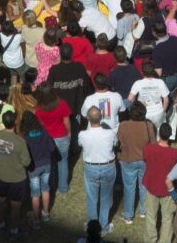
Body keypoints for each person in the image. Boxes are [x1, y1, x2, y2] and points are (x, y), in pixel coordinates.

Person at [0, 110, 31, 239]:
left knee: (0, 200)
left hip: (1, 175)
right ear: (15, 122)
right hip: (18, 178)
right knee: (16, 205)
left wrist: (3, 151)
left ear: (3, 122)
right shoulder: (20, 141)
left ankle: (0, 224)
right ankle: (14, 230)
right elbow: (26, 162)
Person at [79, 106, 118, 234]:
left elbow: (80, 144)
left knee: (91, 197)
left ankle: (92, 226)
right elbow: (116, 144)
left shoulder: (83, 134)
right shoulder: (110, 133)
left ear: (88, 119)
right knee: (106, 198)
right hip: (108, 167)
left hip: (91, 167)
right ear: (101, 117)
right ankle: (103, 227)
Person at [116, 101, 156, 224]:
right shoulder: (149, 126)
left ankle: (128, 215)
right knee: (144, 186)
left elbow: (119, 141)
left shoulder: (123, 125)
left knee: (129, 188)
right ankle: (143, 211)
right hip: (144, 160)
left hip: (127, 159)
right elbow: (153, 144)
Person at [142, 122, 177, 243]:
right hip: (168, 190)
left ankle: (150, 241)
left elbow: (146, 160)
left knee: (150, 217)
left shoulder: (148, 148)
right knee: (167, 219)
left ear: (159, 134)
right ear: (170, 135)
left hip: (151, 186)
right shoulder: (175, 153)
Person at [34, 83, 72, 195]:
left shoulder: (38, 109)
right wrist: (69, 133)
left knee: (50, 165)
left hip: (47, 139)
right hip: (62, 137)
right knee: (63, 162)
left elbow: (39, 125)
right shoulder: (62, 104)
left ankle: (52, 187)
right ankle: (63, 187)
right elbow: (67, 122)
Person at [129, 61, 171, 130]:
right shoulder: (160, 82)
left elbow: (130, 98)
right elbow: (166, 100)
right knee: (158, 131)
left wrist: (138, 104)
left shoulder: (138, 83)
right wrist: (163, 111)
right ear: (153, 71)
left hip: (144, 113)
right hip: (158, 111)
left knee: (147, 132)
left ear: (142, 72)